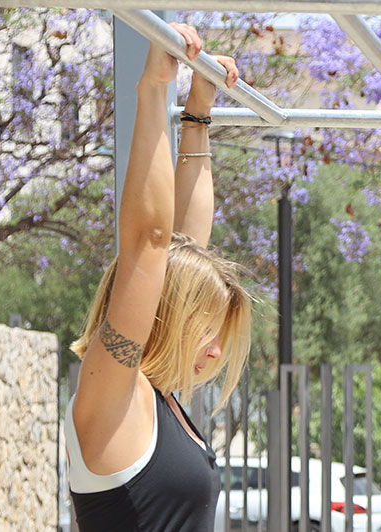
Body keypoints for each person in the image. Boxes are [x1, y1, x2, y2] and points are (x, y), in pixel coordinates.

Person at [63, 23, 253, 531]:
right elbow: (150, 241)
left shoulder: (159, 393)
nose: (216, 350)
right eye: (207, 328)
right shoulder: (114, 389)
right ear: (167, 314)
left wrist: (197, 115)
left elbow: (185, 252)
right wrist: (153, 89)